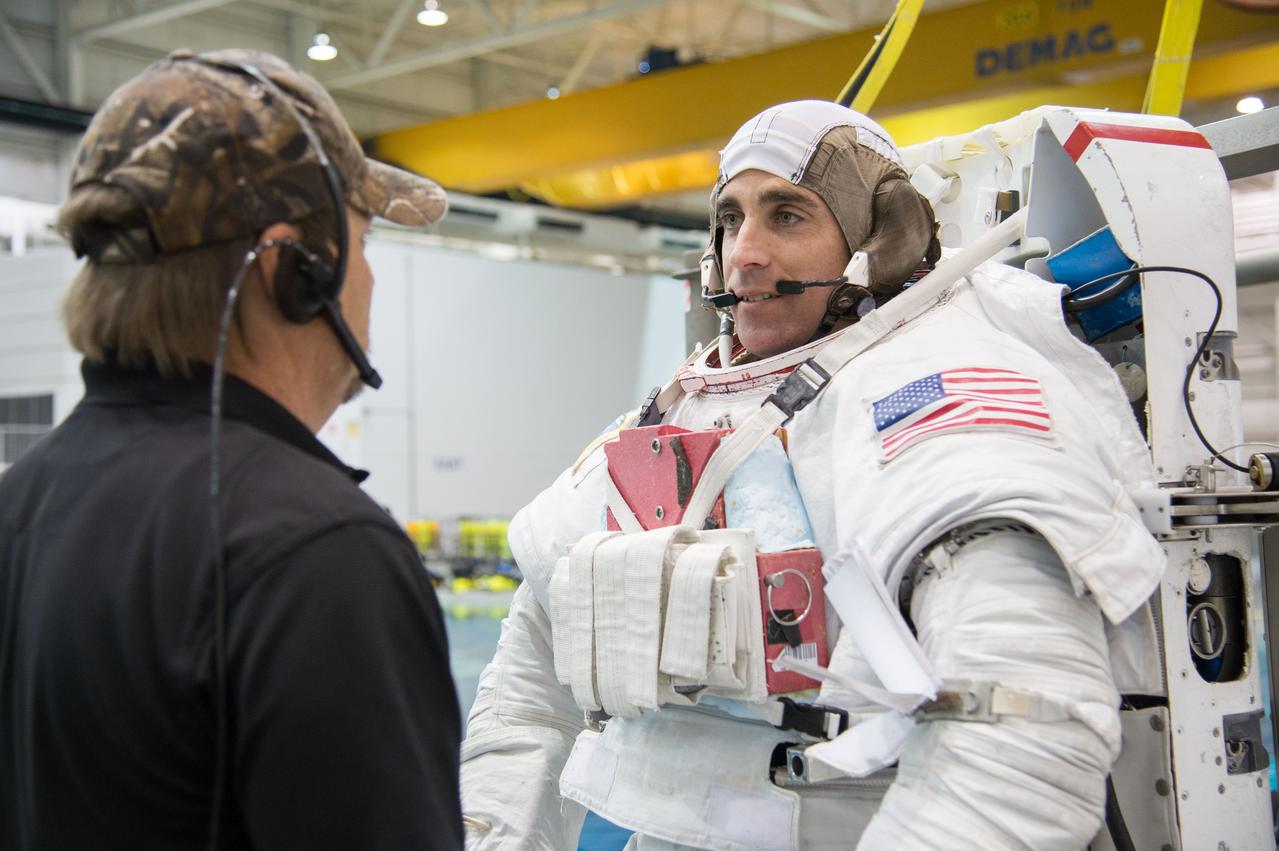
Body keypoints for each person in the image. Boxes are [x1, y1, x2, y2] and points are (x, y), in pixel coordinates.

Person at [459, 100, 1164, 849]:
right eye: (731, 219)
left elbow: (1019, 740)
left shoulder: (945, 394)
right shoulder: (675, 413)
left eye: (787, 216)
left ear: (880, 241)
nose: (744, 255)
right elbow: (528, 694)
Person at [0, 49, 462, 849]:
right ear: (295, 271)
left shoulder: (19, 502)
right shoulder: (314, 551)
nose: (372, 282)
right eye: (364, 243)